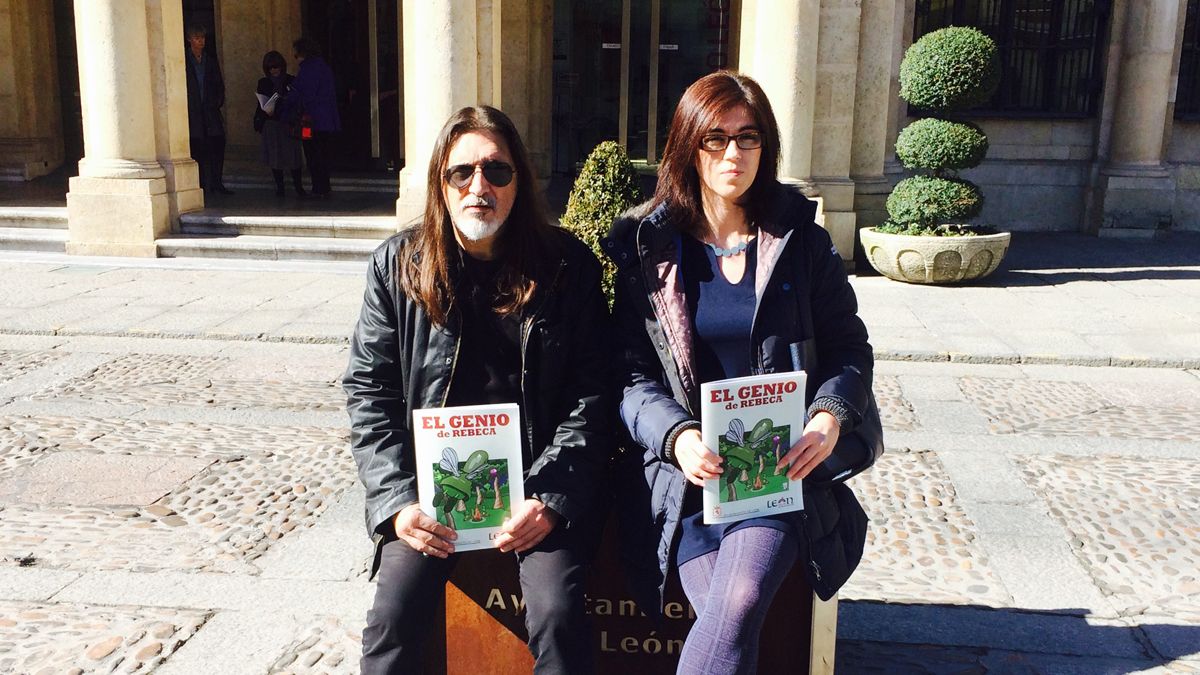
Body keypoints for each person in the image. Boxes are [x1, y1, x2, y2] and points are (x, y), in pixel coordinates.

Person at [604, 71, 871, 674]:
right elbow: (627, 374)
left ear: (766, 146)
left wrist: (830, 417)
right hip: (690, 478)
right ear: (687, 145)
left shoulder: (801, 242)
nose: (732, 154)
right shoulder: (649, 247)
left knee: (739, 601)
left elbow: (850, 348)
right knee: (728, 628)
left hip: (775, 470)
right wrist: (677, 436)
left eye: (747, 138)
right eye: (715, 139)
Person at [343, 105, 610, 674]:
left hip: (538, 489)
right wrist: (396, 504)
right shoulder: (399, 266)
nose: (478, 187)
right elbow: (370, 392)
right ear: (441, 183)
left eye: (497, 171)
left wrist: (551, 498)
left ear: (520, 181)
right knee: (393, 616)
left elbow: (594, 394)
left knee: (558, 614)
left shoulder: (567, 268)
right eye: (461, 173)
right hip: (432, 497)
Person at [285, 37, 341, 197]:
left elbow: (306, 94)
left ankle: (319, 188)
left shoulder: (309, 69)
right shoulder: (323, 67)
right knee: (323, 153)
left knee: (313, 154)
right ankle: (324, 187)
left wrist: (290, 100)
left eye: (296, 55)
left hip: (309, 122)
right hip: (326, 121)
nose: (295, 59)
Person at [184, 24, 231, 194]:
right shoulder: (183, 60)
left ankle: (217, 183)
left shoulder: (210, 61)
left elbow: (219, 85)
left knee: (217, 145)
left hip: (210, 113)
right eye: (197, 38)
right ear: (190, 39)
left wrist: (216, 102)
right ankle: (201, 184)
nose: (201, 41)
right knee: (197, 149)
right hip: (193, 114)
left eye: (202, 38)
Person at [255, 51, 305, 197]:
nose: (274, 70)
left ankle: (298, 187)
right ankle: (280, 187)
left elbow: (297, 101)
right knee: (275, 156)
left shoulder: (291, 80)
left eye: (276, 67)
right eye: (270, 68)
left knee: (293, 156)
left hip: (288, 122)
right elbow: (260, 103)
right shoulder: (263, 82)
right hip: (271, 122)